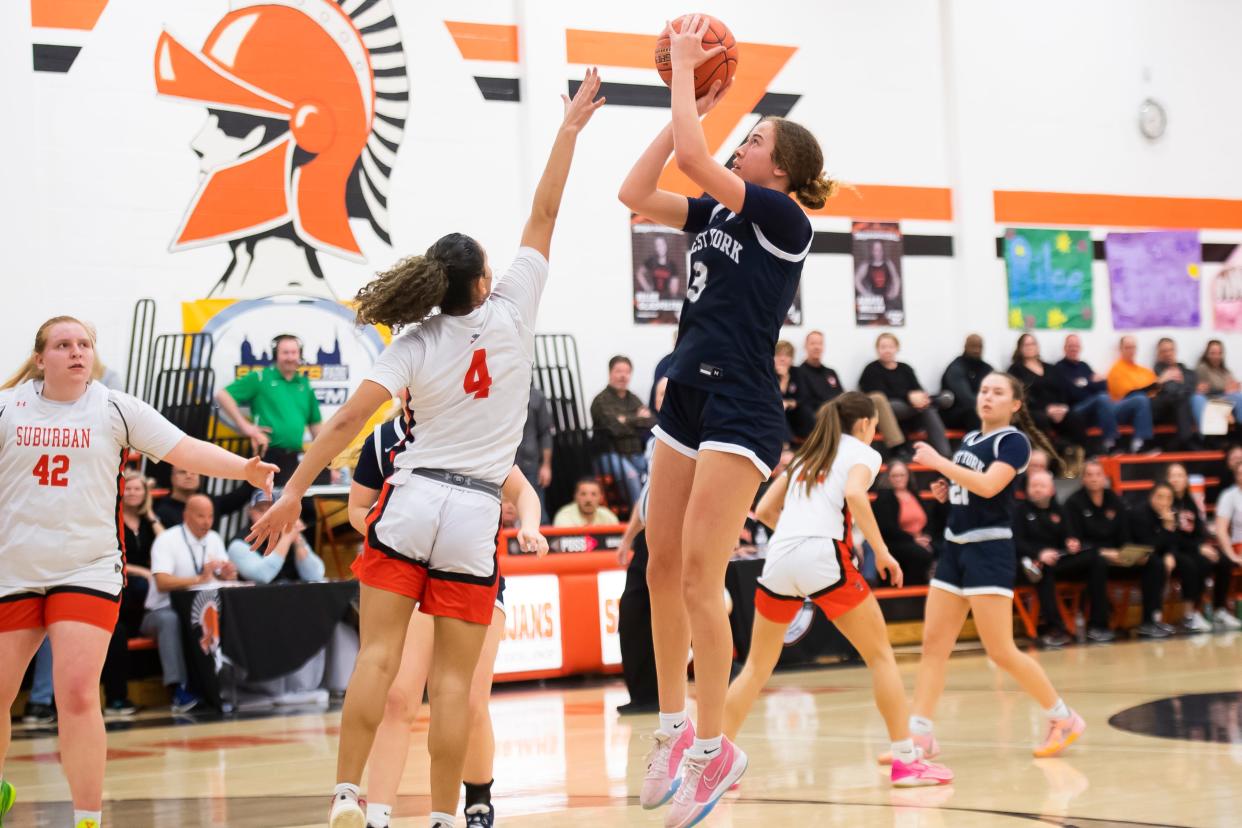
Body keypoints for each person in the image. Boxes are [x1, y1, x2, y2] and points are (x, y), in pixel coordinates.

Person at [248, 71, 603, 828]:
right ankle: (446, 815)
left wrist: (291, 489)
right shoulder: (512, 310)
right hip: (476, 511)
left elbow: (344, 426)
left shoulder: (412, 342)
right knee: (455, 682)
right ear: (484, 279)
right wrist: (569, 127)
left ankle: (348, 793)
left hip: (411, 501)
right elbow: (545, 210)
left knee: (379, 659)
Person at [618, 17, 834, 822]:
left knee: (704, 578)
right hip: (686, 394)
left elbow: (694, 160)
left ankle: (715, 749)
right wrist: (691, 100)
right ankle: (673, 727)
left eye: (752, 138)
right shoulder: (712, 216)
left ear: (779, 166)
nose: (738, 144)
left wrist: (685, 77)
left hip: (743, 405)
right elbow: (636, 192)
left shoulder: (785, 222)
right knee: (659, 570)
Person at [0, 316, 275, 828]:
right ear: (41, 359)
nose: (77, 352)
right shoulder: (8, 406)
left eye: (85, 344)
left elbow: (183, 447)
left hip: (86, 567)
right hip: (14, 567)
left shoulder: (112, 407)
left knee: (79, 692)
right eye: (63, 345)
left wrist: (244, 469)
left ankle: (87, 818)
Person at [723, 392, 952, 786]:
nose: (877, 431)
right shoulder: (863, 453)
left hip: (778, 557)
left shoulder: (805, 457)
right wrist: (882, 553)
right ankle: (906, 761)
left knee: (757, 668)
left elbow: (762, 512)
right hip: (824, 554)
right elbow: (854, 495)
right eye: (876, 424)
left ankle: (718, 760)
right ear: (864, 424)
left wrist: (796, 542)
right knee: (881, 658)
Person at [348, 406, 548, 828]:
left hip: (469, 577)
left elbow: (525, 492)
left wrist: (530, 525)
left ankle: (476, 802)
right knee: (398, 697)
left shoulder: (473, 430)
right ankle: (378, 814)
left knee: (469, 700)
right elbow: (357, 508)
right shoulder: (383, 440)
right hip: (410, 578)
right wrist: (393, 538)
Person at [904, 372, 1085, 766]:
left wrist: (940, 464)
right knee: (933, 646)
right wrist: (946, 491)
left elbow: (989, 486)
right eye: (984, 390)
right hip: (955, 548)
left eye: (998, 392)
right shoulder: (970, 438)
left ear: (1015, 405)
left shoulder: (1013, 441)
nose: (987, 396)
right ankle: (920, 736)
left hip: (989, 550)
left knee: (1000, 651)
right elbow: (968, 489)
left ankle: (1064, 717)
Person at [142, 495, 240, 712]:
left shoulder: (214, 538)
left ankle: (227, 684)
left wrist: (227, 574)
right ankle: (179, 689)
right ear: (186, 516)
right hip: (160, 611)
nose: (206, 522)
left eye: (210, 516)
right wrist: (198, 579)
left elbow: (220, 577)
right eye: (200, 516)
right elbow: (162, 582)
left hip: (198, 609)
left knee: (226, 613)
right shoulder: (167, 539)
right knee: (170, 621)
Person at [1065, 460, 1169, 639]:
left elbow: (1125, 537)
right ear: (1083, 479)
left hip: (1117, 558)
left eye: (1098, 474)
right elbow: (1075, 543)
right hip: (1088, 559)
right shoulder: (1073, 503)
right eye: (1089, 475)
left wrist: (1133, 554)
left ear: (1104, 478)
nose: (1094, 479)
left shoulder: (1115, 500)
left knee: (1154, 562)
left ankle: (1150, 621)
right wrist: (1104, 553)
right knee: (1097, 562)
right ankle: (1098, 625)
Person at [1013, 470, 1113, 646]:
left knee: (1096, 558)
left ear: (1051, 489)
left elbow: (1070, 537)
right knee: (1043, 570)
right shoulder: (1020, 511)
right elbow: (1016, 542)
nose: (1037, 489)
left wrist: (1072, 543)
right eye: (1033, 486)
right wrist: (1039, 553)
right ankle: (1056, 629)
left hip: (1059, 560)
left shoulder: (1060, 510)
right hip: (1031, 564)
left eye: (1041, 486)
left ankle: (1098, 624)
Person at [214, 333, 324, 484]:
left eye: (294, 352)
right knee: (261, 500)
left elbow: (315, 425)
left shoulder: (304, 384)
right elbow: (223, 395)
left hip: (293, 457)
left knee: (302, 503)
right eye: (285, 352)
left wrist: (327, 458)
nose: (290, 357)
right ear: (275, 355)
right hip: (266, 453)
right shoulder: (260, 378)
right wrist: (246, 427)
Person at [100, 471, 165, 716]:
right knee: (117, 635)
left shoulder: (147, 522)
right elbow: (112, 559)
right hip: (121, 587)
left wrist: (150, 515)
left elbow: (167, 543)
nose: (133, 493)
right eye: (128, 488)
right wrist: (143, 572)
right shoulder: (111, 520)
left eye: (138, 489)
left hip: (144, 595)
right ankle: (116, 699)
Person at [1164, 463, 1235, 633]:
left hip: (1192, 547)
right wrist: (1197, 548)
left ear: (1186, 480)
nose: (1176, 479)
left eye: (1180, 475)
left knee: (1223, 561)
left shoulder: (1190, 501)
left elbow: (1199, 529)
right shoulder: (1164, 500)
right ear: (1166, 479)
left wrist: (1203, 545)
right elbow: (1170, 536)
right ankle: (1191, 614)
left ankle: (1219, 609)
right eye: (1172, 476)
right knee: (1197, 564)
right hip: (1173, 549)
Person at [1056, 333, 1153, 454]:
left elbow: (1103, 386)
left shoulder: (1084, 366)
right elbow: (1071, 392)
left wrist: (1085, 384)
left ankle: (1140, 444)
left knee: (1140, 399)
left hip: (1101, 409)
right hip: (1078, 411)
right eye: (1070, 345)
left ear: (1080, 348)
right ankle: (1111, 443)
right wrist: (1090, 383)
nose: (1073, 348)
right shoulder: (1059, 368)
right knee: (1102, 398)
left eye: (1076, 346)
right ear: (1065, 348)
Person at [859, 333, 952, 457]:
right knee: (892, 404)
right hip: (888, 411)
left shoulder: (905, 368)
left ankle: (946, 454)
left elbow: (917, 388)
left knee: (927, 407)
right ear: (877, 349)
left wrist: (920, 399)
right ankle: (936, 401)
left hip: (911, 410)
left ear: (897, 348)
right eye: (883, 347)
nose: (887, 350)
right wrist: (908, 396)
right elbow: (880, 395)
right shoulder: (871, 369)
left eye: (890, 346)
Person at [1009, 333, 1087, 469]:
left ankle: (1076, 455)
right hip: (1034, 411)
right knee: (1040, 419)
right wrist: (1046, 410)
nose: (1030, 347)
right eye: (1026, 344)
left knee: (1075, 418)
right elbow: (1021, 396)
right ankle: (1054, 460)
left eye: (1033, 343)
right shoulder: (1015, 370)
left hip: (1057, 410)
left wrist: (1062, 407)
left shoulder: (1051, 368)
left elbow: (1062, 389)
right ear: (1020, 348)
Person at [1107, 336, 1197, 449]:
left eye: (1133, 347)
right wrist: (1160, 382)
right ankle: (1147, 444)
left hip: (1155, 408)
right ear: (1121, 349)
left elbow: (1158, 391)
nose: (1131, 350)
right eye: (1127, 347)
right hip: (1130, 410)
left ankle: (1187, 439)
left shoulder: (1143, 370)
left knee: (1181, 399)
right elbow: (1130, 396)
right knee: (1142, 399)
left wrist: (1179, 383)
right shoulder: (1116, 370)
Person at [590, 355, 654, 506]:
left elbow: (651, 422)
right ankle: (638, 521)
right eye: (618, 371)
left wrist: (625, 419)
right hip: (609, 454)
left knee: (657, 475)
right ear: (610, 373)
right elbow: (614, 428)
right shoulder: (600, 400)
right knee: (631, 476)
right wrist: (637, 420)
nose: (623, 376)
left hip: (636, 453)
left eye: (627, 372)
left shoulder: (633, 398)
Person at [870, 460, 946, 586]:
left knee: (945, 548)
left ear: (908, 476)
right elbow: (887, 528)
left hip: (919, 539)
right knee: (921, 554)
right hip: (896, 542)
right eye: (895, 475)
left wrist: (925, 537)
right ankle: (914, 591)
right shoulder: (884, 497)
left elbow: (927, 519)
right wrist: (913, 539)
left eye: (902, 475)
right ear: (888, 477)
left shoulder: (913, 494)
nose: (899, 479)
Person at [226, 491, 325, 583]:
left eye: (273, 511)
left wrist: (297, 540)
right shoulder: (238, 544)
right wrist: (286, 539)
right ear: (250, 512)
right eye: (261, 510)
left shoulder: (289, 532)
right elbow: (262, 576)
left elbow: (315, 576)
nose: (267, 516)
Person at [1126, 483, 1181, 637]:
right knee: (1155, 564)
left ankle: (1164, 619)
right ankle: (1147, 622)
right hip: (1131, 558)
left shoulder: (1169, 514)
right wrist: (1166, 526)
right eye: (1160, 497)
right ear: (1151, 497)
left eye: (1168, 498)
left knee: (1189, 562)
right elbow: (1149, 547)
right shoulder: (1139, 514)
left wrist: (1170, 554)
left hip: (1153, 558)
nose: (1164, 502)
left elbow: (1175, 542)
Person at [153, 464, 253, 529]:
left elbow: (241, 495)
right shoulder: (160, 508)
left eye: (193, 472)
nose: (189, 475)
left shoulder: (210, 503)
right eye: (182, 472)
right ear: (172, 477)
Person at [791, 331, 843, 440]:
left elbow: (841, 396)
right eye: (813, 343)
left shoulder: (831, 372)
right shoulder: (798, 372)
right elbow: (804, 400)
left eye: (820, 343)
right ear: (806, 346)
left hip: (835, 413)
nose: (817, 347)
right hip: (815, 416)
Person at [515, 383, 554, 523]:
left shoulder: (537, 396)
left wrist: (546, 465)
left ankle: (542, 544)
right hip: (502, 464)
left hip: (530, 465)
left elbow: (546, 433)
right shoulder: (496, 392)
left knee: (537, 513)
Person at [1210, 463, 1242, 631]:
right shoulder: (1229, 496)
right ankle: (1220, 611)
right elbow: (1221, 530)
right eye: (1240, 473)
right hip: (1239, 545)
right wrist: (1232, 555)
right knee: (1225, 563)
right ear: (1235, 476)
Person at [939, 334, 992, 432]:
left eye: (979, 346)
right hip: (956, 414)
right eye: (973, 346)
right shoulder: (956, 368)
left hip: (979, 409)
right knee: (973, 410)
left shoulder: (986, 368)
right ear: (965, 347)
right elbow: (966, 398)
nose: (976, 350)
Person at [1196, 339, 1242, 424]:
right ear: (1207, 354)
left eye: (1219, 353)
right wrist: (1225, 389)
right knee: (1239, 398)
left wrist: (1235, 386)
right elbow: (1205, 390)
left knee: (1239, 396)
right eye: (1213, 353)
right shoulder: (1203, 368)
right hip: (1213, 399)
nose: (1216, 356)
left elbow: (1233, 384)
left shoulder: (1224, 370)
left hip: (1228, 398)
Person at [552, 477, 619, 527]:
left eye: (593, 494)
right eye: (583, 494)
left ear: (601, 497)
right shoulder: (564, 516)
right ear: (575, 497)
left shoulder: (608, 516)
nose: (588, 499)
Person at [637, 234, 682, 298]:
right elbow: (639, 273)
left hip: (666, 298)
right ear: (655, 248)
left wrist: (672, 296)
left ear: (666, 246)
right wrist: (647, 288)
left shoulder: (672, 265)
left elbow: (674, 288)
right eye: (657, 245)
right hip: (653, 297)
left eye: (662, 245)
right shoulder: (651, 261)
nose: (660, 247)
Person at [774, 340, 800, 441]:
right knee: (778, 408)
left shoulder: (797, 372)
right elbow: (772, 397)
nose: (783, 359)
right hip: (775, 410)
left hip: (794, 411)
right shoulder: (768, 373)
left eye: (787, 355)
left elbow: (802, 397)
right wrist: (784, 379)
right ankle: (785, 445)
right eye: (779, 355)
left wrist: (789, 403)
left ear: (792, 359)